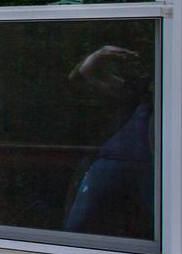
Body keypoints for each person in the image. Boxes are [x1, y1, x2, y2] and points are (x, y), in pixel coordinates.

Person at [64, 45, 154, 240]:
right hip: (115, 165)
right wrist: (99, 55)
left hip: (144, 167)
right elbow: (79, 79)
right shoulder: (129, 94)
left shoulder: (157, 105)